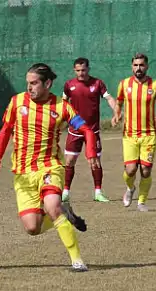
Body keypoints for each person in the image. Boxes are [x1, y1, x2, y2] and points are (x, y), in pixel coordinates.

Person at [0, 63, 99, 272]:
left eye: (34, 83)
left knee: (52, 206)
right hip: (22, 173)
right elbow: (5, 132)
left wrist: (91, 151)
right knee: (32, 227)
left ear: (47, 83)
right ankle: (65, 215)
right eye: (27, 83)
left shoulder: (61, 106)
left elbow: (86, 129)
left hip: (50, 167)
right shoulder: (16, 102)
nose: (29, 87)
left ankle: (77, 260)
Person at [111, 53, 156, 212]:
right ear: (132, 66)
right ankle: (130, 189)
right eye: (135, 65)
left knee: (146, 170)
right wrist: (117, 114)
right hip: (129, 135)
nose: (138, 68)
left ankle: (142, 202)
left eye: (141, 65)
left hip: (149, 135)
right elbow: (119, 103)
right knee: (130, 170)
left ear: (147, 66)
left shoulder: (155, 85)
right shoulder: (124, 84)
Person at [62, 57, 117, 202]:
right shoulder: (69, 85)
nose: (81, 73)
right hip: (75, 129)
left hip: (92, 131)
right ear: (75, 70)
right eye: (78, 70)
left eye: (83, 70)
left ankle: (98, 192)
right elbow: (63, 104)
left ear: (88, 69)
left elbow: (109, 98)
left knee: (95, 161)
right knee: (69, 161)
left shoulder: (97, 83)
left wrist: (116, 111)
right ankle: (65, 192)